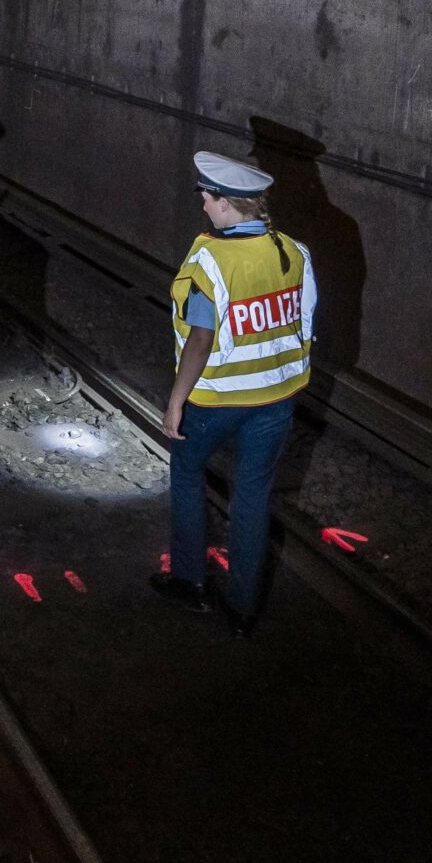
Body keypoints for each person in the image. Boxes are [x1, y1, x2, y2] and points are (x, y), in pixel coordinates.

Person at [150, 150, 317, 636]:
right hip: (277, 398)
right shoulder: (292, 250)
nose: (202, 204)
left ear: (226, 204)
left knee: (186, 472)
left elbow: (200, 339)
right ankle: (243, 610)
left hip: (218, 400)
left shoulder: (212, 259)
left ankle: (190, 583)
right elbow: (302, 319)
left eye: (207, 196)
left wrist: (177, 400)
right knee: (252, 496)